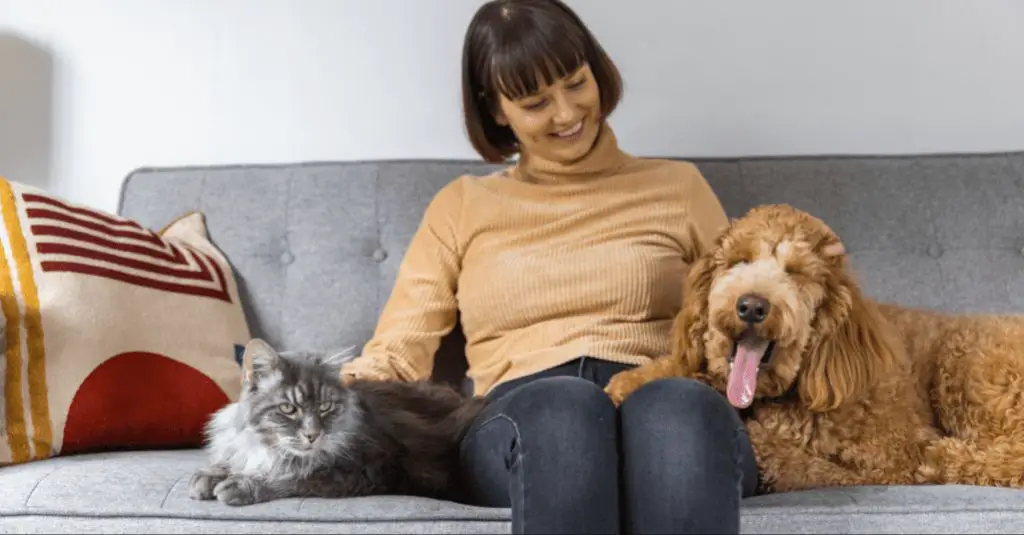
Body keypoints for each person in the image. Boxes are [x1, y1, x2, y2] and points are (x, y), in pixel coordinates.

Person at [340, 0, 758, 533]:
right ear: (497, 111)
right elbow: (400, 349)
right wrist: (318, 400)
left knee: (677, 406)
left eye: (575, 83)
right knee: (566, 410)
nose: (566, 114)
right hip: (524, 417)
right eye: (536, 101)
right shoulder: (462, 205)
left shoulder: (678, 188)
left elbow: (734, 320)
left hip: (662, 398)